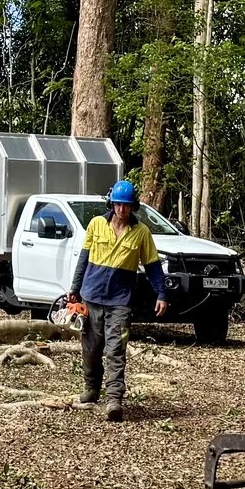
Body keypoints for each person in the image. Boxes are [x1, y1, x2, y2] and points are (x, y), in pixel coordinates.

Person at [63, 179, 168, 421]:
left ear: (134, 207)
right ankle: (91, 388)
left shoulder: (141, 233)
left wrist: (161, 293)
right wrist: (74, 288)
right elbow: (83, 259)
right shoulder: (96, 225)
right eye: (118, 205)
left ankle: (114, 400)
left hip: (120, 301)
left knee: (115, 350)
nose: (122, 210)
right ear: (112, 204)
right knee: (90, 349)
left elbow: (152, 266)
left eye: (127, 206)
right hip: (92, 297)